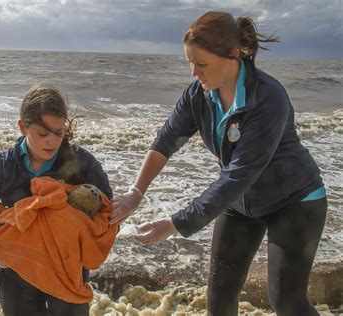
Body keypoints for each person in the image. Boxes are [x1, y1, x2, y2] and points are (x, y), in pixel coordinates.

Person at [109, 11, 327, 316]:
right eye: (190, 63)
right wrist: (136, 192)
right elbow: (166, 140)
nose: (195, 73)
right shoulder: (198, 94)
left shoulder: (268, 98)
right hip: (241, 203)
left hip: (294, 202)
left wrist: (175, 224)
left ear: (234, 54)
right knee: (220, 296)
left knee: (286, 301)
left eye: (202, 64)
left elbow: (238, 174)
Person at [0, 83, 113, 316]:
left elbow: (109, 212)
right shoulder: (4, 167)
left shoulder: (82, 163)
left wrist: (85, 245)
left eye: (59, 133)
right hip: (16, 276)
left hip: (68, 273)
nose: (52, 141)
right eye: (42, 134)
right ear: (22, 127)